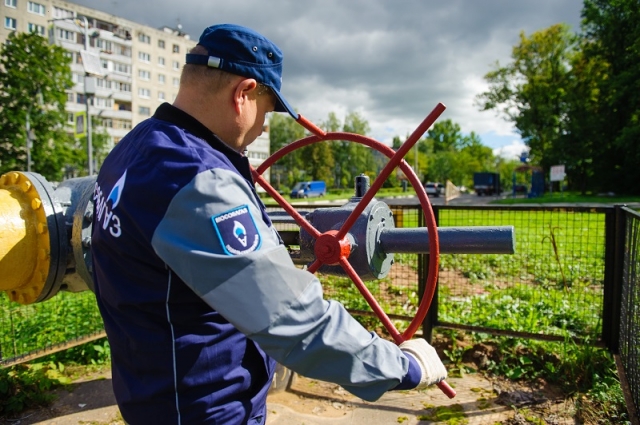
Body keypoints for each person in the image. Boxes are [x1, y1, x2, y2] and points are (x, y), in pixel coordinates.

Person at [91, 23, 447, 424]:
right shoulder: (198, 181)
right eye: (269, 110)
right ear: (243, 94)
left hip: (149, 389)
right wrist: (403, 366)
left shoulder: (134, 147)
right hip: (206, 405)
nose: (263, 126)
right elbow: (293, 320)